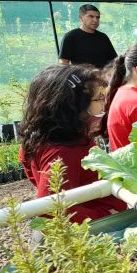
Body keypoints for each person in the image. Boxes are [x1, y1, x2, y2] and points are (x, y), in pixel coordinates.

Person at [18, 64, 125, 223]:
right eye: (99, 99)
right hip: (95, 231)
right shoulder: (62, 151)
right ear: (72, 107)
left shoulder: (44, 138)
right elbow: (51, 209)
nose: (104, 104)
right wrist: (103, 215)